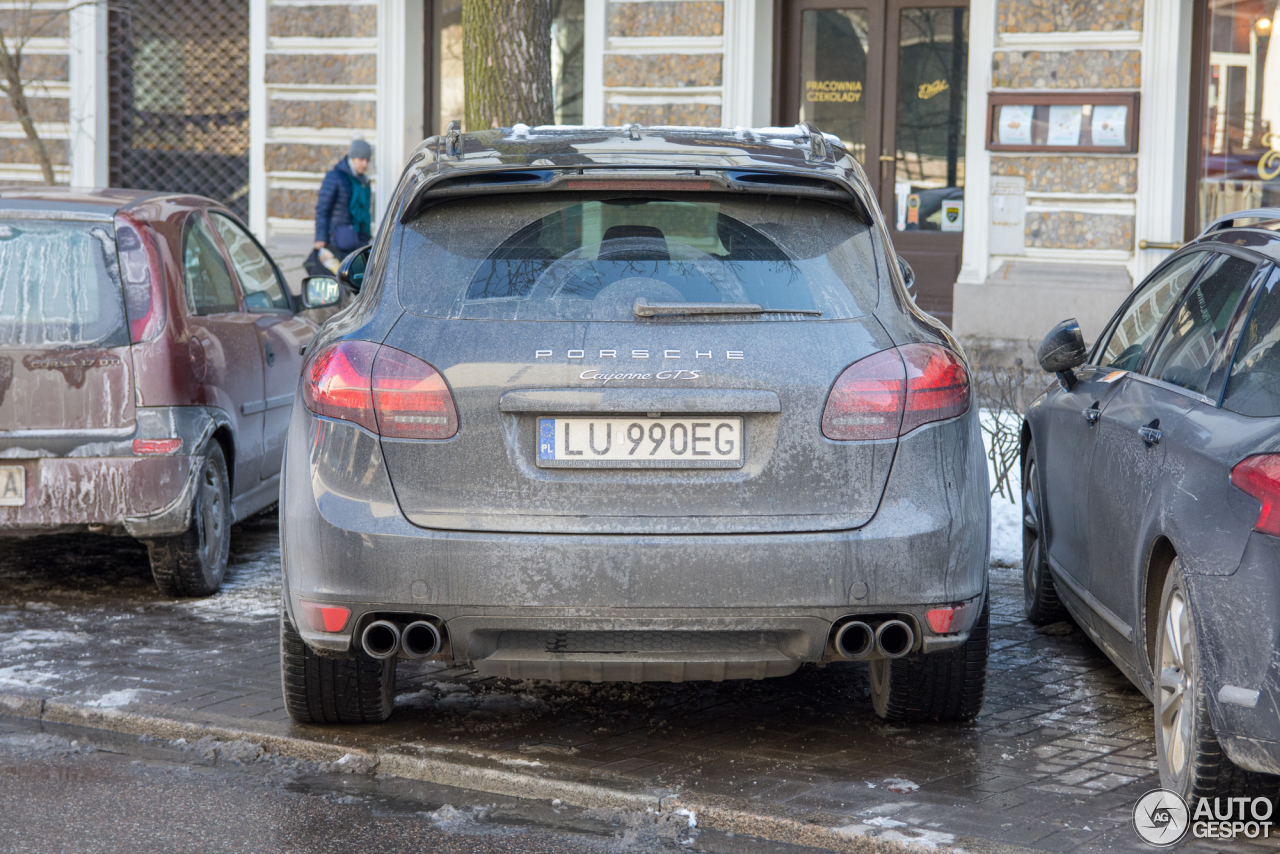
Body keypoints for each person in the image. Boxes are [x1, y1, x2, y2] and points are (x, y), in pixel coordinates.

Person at [310, 139, 373, 274]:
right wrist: (320, 238)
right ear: (352, 157)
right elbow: (322, 209)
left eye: (367, 160)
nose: (364, 164)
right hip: (335, 242)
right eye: (361, 159)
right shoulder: (335, 177)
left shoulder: (364, 182)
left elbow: (365, 213)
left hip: (357, 243)